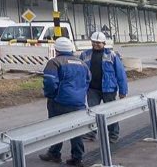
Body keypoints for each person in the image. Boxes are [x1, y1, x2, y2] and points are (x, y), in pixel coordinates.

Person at [39, 37, 91, 165]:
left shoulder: (55, 62)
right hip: (78, 103)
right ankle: (77, 157)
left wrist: (51, 95)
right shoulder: (82, 64)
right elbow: (88, 80)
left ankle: (54, 153)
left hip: (59, 101)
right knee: (76, 130)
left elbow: (50, 81)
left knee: (57, 128)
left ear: (56, 50)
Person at [81, 31, 128, 144]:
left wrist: (123, 91)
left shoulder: (111, 55)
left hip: (108, 89)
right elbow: (81, 71)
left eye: (99, 43)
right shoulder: (85, 55)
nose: (96, 44)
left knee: (111, 113)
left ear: (104, 43)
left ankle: (113, 135)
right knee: (91, 112)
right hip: (92, 89)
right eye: (94, 42)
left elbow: (120, 73)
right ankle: (90, 134)